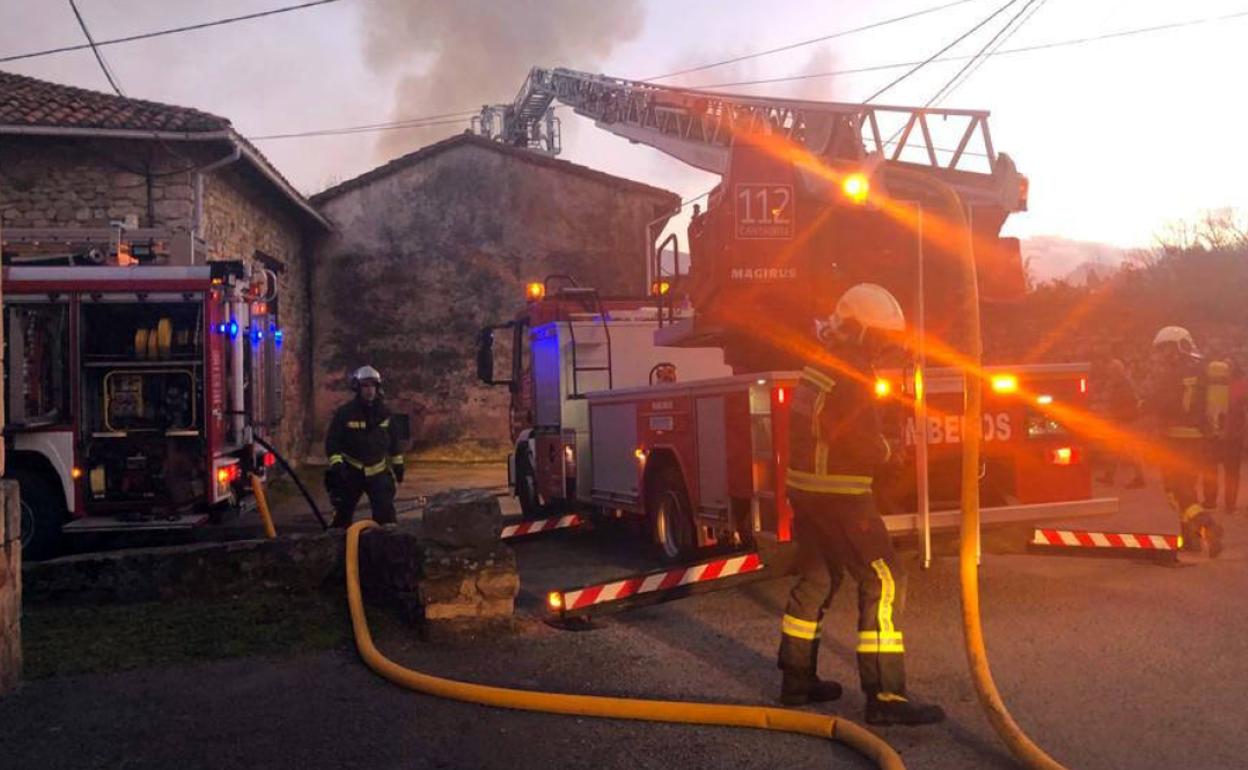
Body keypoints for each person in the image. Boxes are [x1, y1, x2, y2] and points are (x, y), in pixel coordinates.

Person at [777, 283, 944, 726]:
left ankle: (796, 681)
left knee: (816, 580)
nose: (887, 346)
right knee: (885, 579)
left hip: (808, 492)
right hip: (843, 495)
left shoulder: (821, 365)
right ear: (862, 332)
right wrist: (893, 452)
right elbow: (860, 442)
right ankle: (886, 696)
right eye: (883, 337)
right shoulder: (852, 374)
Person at [1145, 327, 1223, 557]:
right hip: (1201, 442)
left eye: (1167, 349)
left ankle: (1207, 526)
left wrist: (1142, 405)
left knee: (1176, 492)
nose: (1164, 355)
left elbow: (1161, 403)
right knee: (1187, 491)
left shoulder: (1173, 373)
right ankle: (1192, 541)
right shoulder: (1204, 368)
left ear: (1180, 345)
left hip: (1177, 442)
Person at [325, 365, 405, 527]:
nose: (369, 390)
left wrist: (398, 465)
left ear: (378, 388)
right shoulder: (345, 413)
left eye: (373, 386)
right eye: (365, 386)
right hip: (351, 472)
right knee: (341, 517)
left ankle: (384, 549)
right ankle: (340, 548)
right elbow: (333, 441)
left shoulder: (385, 413)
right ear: (357, 388)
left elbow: (394, 442)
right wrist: (337, 464)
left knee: (386, 519)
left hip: (378, 473)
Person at [1201, 359, 1246, 514]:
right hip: (1224, 434)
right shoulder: (1239, 384)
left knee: (1221, 470)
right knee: (1219, 470)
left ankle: (1220, 502)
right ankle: (1219, 502)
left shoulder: (1240, 385)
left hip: (1226, 435)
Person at [1098, 358, 1146, 487]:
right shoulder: (1121, 383)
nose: (1109, 373)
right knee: (1116, 450)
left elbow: (1127, 402)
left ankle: (1140, 479)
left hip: (1126, 421)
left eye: (1111, 371)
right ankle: (1109, 476)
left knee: (1131, 451)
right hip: (1123, 420)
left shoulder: (1124, 384)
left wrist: (1114, 414)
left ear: (1116, 371)